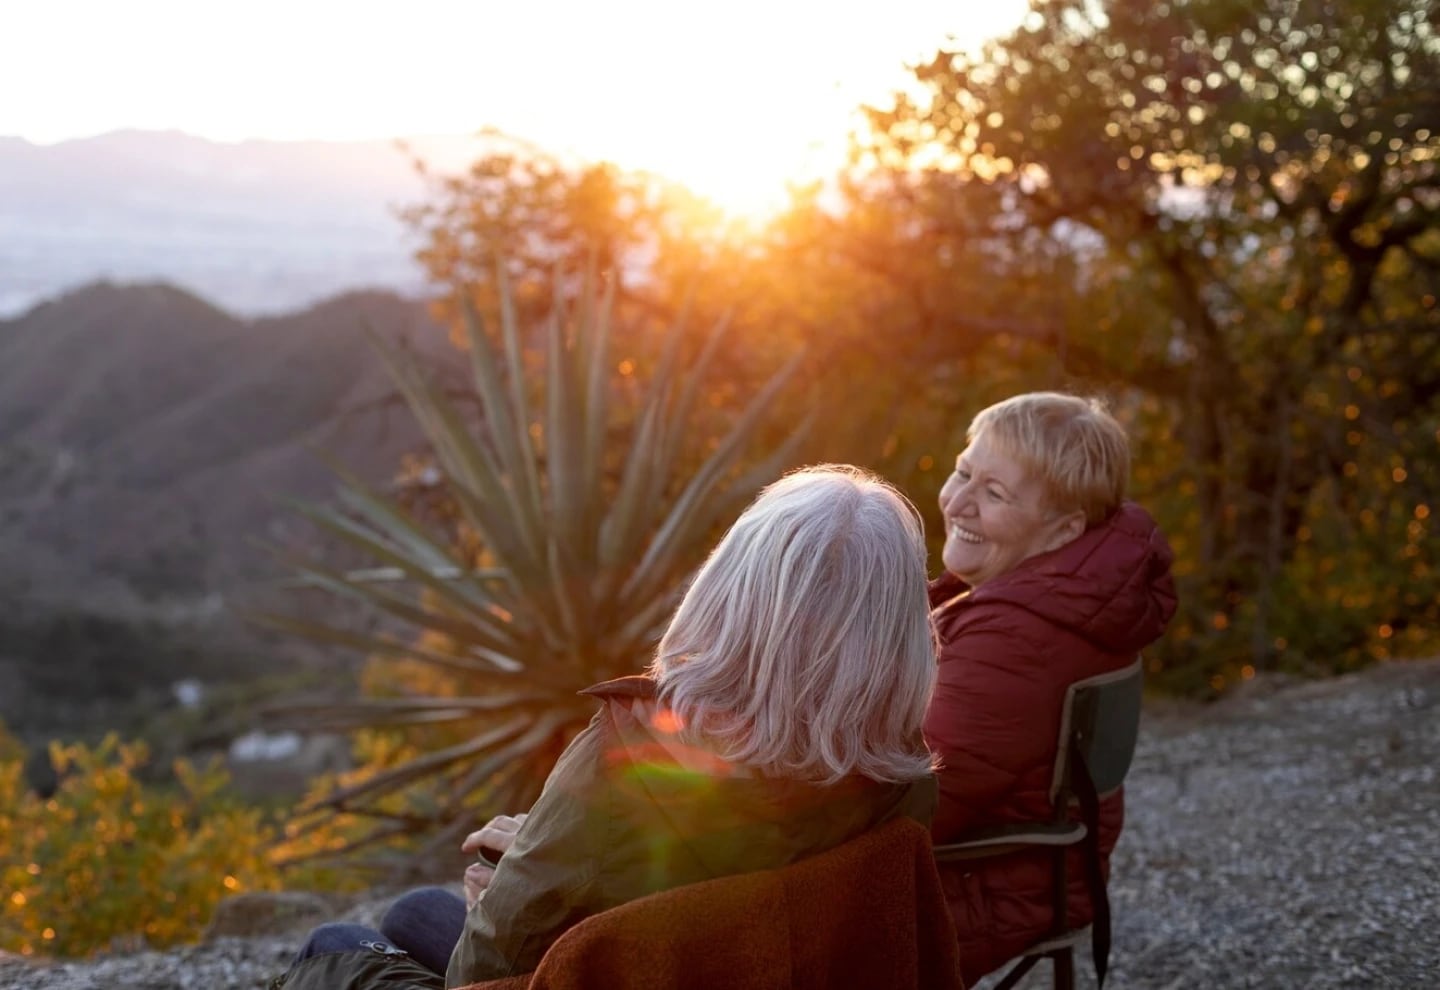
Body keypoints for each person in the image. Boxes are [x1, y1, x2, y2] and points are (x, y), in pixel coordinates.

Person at [275, 465, 940, 989]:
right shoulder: (896, 773)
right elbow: (736, 893)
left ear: (727, 591)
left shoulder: (626, 753)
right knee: (414, 910)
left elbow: (482, 971)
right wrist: (542, 850)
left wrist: (510, 891)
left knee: (333, 947)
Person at [924, 392, 1177, 985]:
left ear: (1064, 529)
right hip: (1018, 865)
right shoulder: (1061, 592)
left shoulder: (1018, 638)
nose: (958, 501)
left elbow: (918, 806)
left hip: (984, 882)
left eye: (994, 493)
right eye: (964, 471)